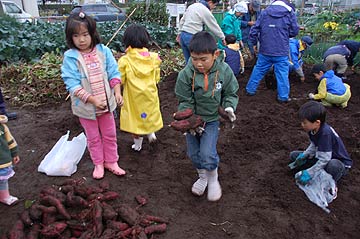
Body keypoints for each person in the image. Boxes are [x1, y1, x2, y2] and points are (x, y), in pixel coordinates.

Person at [174, 31, 239, 201]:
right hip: (193, 121)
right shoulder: (186, 75)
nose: (199, 64)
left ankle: (213, 178)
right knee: (194, 154)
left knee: (207, 153)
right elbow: (184, 99)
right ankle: (202, 177)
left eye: (203, 59)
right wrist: (189, 120)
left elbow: (231, 93)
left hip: (211, 119)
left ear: (215, 54)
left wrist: (229, 108)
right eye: (195, 59)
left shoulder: (224, 71)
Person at [61, 13, 126, 180]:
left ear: (92, 34)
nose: (81, 40)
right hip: (86, 107)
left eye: (85, 35)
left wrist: (117, 92)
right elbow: (73, 85)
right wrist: (92, 100)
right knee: (93, 137)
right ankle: (98, 163)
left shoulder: (103, 51)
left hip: (106, 106)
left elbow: (113, 73)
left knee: (110, 134)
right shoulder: (71, 57)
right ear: (70, 37)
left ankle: (111, 161)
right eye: (76, 36)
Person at [118, 24, 163, 152]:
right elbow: (156, 78)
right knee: (148, 114)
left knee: (134, 119)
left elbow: (120, 80)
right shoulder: (154, 58)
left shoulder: (125, 60)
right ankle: (151, 134)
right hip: (150, 94)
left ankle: (137, 145)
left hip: (133, 97)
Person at [245, 0, 299, 103]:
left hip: (265, 49)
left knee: (258, 70)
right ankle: (283, 97)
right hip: (281, 50)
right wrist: (285, 34)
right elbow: (294, 31)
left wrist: (254, 43)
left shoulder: (265, 12)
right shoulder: (289, 13)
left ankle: (250, 90)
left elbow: (254, 29)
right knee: (282, 74)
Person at [290, 101, 352, 187]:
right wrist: (305, 154)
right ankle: (317, 172)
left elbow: (325, 159)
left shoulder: (325, 134)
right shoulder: (313, 129)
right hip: (323, 156)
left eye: (305, 122)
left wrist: (309, 173)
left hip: (338, 163)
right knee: (294, 155)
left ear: (317, 122)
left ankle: (329, 184)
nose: (302, 125)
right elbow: (314, 144)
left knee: (333, 165)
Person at [0, 115, 20, 205]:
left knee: (3, 181)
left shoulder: (2, 127)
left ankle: (4, 197)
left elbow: (10, 141)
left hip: (2, 161)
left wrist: (14, 153)